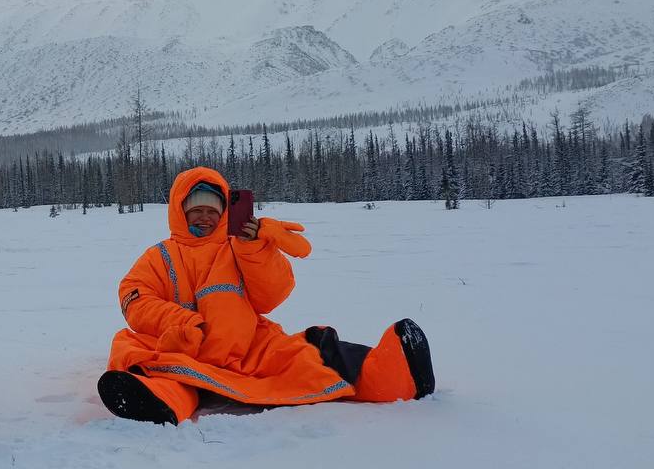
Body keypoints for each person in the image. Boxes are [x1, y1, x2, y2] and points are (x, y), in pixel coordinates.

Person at [98, 166, 434, 424]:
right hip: (181, 346)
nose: (204, 216)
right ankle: (152, 400)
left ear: (223, 212)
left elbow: (271, 295)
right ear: (180, 210)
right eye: (196, 209)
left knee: (307, 352)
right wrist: (179, 321)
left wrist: (256, 250)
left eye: (212, 209)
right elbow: (134, 298)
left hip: (247, 346)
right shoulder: (160, 255)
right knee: (147, 361)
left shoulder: (238, 245)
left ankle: (392, 375)